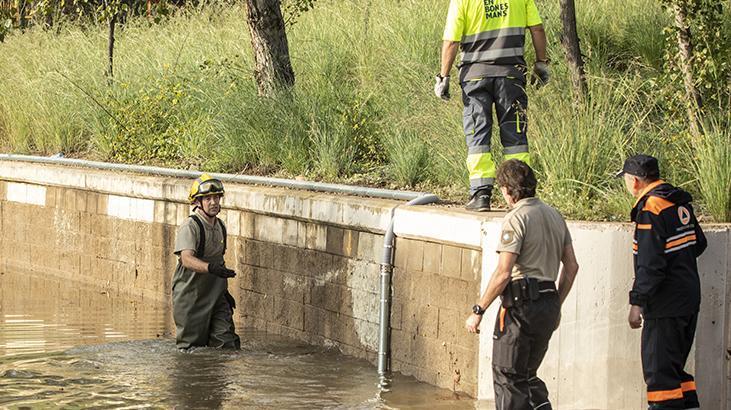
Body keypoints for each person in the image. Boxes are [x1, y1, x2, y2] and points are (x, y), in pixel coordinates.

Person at [465, 159, 579, 410]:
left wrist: (478, 310)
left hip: (520, 307)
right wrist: (556, 304)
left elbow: (503, 273)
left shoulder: (516, 218)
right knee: (527, 375)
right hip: (548, 304)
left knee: (508, 377)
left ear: (507, 189)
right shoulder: (554, 215)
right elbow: (571, 267)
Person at [435, 0, 549, 211]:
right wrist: (541, 62)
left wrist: (443, 76)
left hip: (474, 77)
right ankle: (520, 194)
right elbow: (537, 28)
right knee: (515, 135)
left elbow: (451, 41)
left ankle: (481, 194)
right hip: (511, 76)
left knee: (478, 135)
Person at [617, 154, 706, 410]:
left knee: (660, 379)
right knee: (676, 373)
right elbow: (699, 244)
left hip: (665, 305)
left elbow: (650, 265)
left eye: (625, 179)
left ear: (634, 181)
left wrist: (637, 303)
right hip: (689, 299)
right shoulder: (678, 203)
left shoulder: (651, 209)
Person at [172, 174, 241, 351]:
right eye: (208, 198)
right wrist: (210, 268)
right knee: (191, 350)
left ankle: (219, 378)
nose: (213, 202)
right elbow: (186, 259)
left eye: (216, 197)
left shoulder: (221, 226)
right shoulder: (191, 226)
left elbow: (219, 261)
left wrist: (224, 292)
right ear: (197, 202)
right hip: (191, 296)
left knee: (227, 343)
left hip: (216, 296)